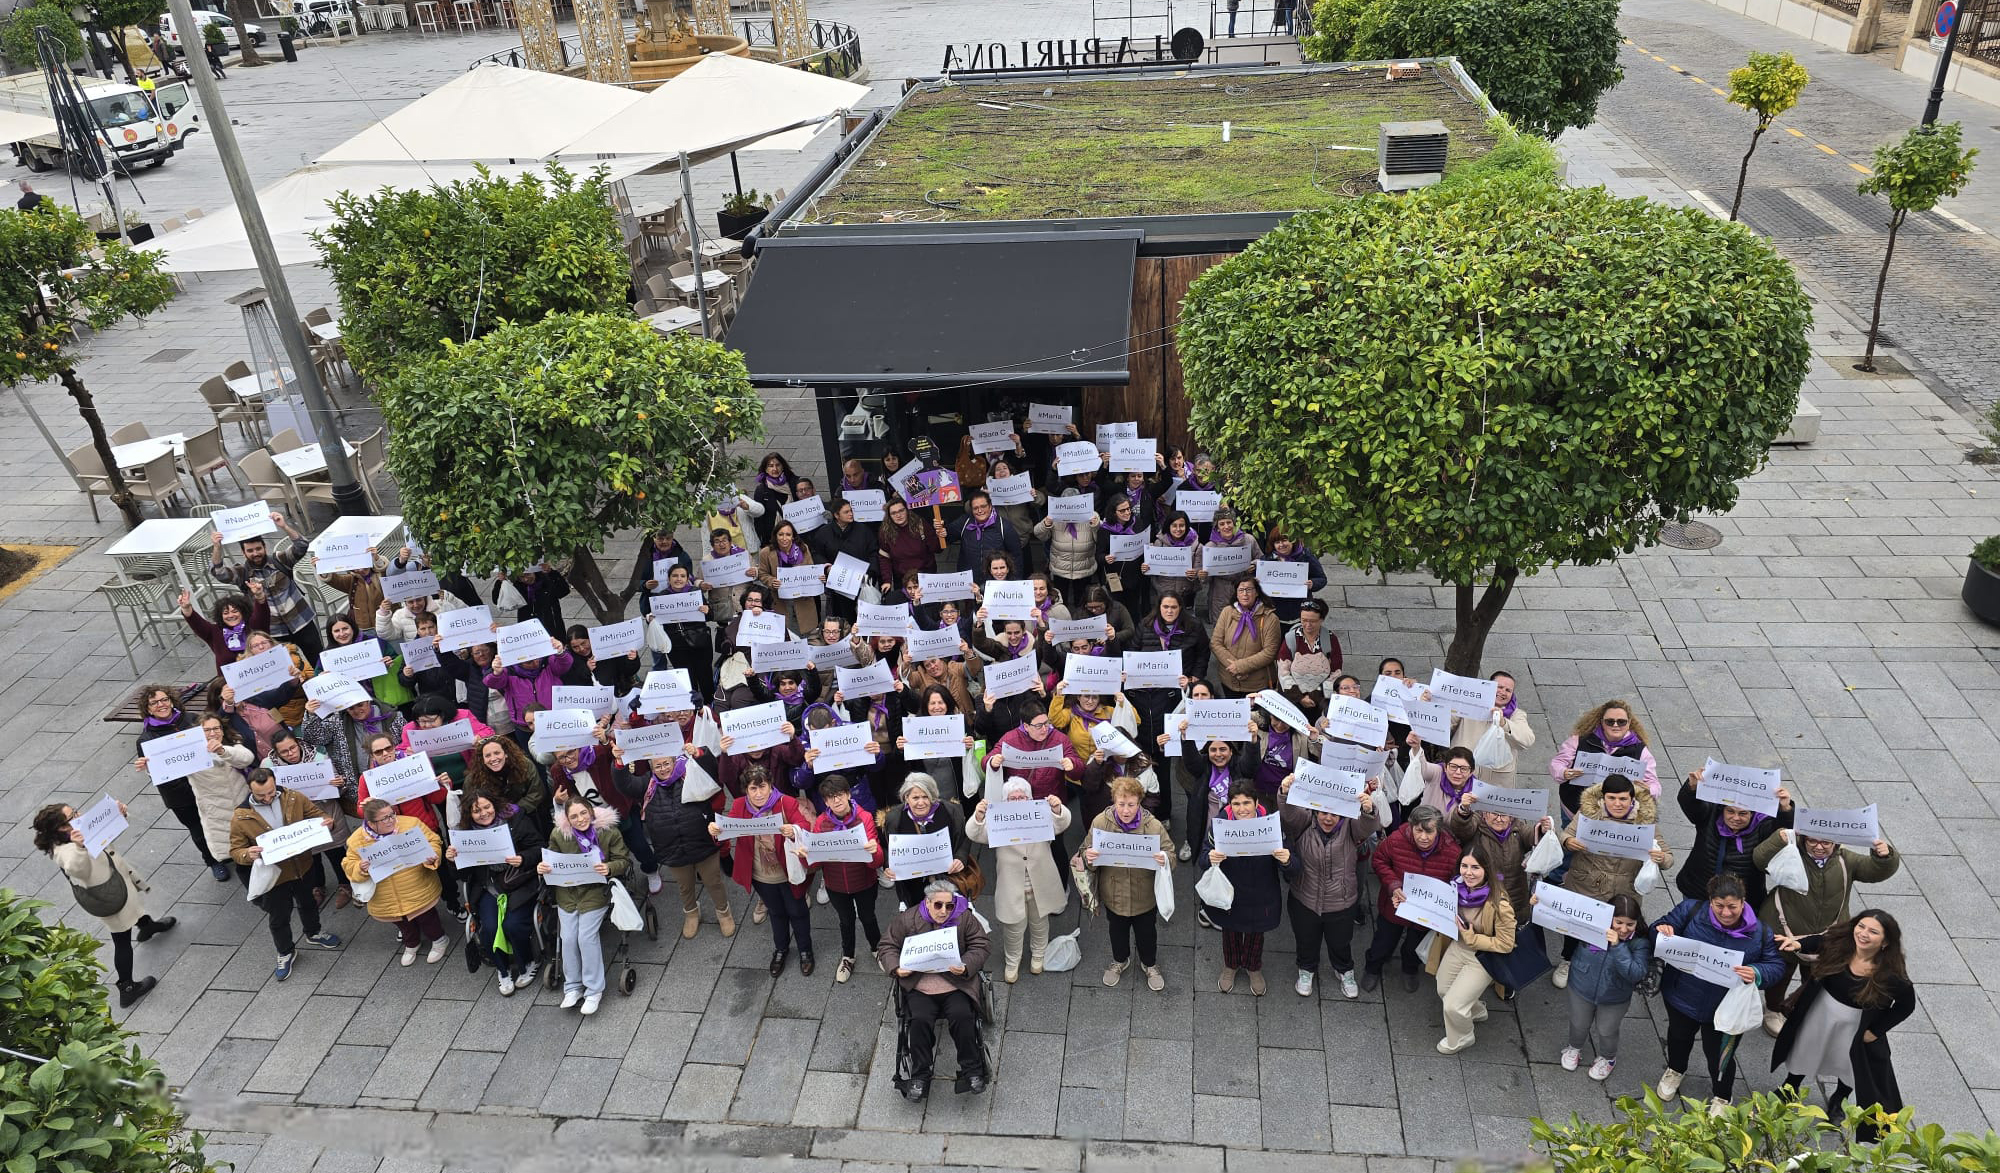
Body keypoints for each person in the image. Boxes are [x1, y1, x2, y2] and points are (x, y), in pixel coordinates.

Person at [1772, 911, 1915, 1139]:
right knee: (1805, 1049)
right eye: (1861, 926)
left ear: (1886, 941)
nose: (1864, 934)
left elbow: (1906, 1006)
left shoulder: (1891, 974)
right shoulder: (1841, 944)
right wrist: (1798, 943)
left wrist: (1876, 1031)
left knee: (1848, 1064)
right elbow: (1819, 941)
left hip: (1856, 1024)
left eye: (1873, 931)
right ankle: (1790, 1088)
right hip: (1822, 1011)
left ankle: (1839, 1099)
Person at [1652, 873, 1786, 1110]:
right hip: (1683, 996)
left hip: (1726, 1008)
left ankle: (1723, 1095)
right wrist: (1661, 930)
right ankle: (1675, 1069)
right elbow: (1656, 930)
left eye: (1732, 906)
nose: (1726, 913)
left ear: (1743, 902)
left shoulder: (1761, 932)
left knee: (1720, 1056)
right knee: (1679, 1037)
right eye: (1719, 906)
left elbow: (1776, 965)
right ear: (1710, 900)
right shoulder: (1690, 911)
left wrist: (1757, 972)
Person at [1753, 827, 1900, 1036]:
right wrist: (1779, 839)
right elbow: (1760, 860)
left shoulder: (1846, 860)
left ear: (1836, 843)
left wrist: (1884, 856)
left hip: (1828, 936)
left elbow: (1875, 871)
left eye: (1826, 843)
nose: (1819, 847)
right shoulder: (1791, 854)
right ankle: (1773, 1009)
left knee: (1818, 976)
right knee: (1780, 974)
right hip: (1783, 929)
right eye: (1813, 841)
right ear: (1804, 839)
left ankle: (1803, 1009)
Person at [33, 802, 176, 1007]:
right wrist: (80, 847)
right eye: (72, 815)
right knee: (121, 939)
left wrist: (118, 816)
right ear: (62, 828)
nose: (79, 814)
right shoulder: (64, 850)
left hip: (118, 884)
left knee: (132, 910)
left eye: (75, 810)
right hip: (110, 897)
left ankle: (147, 926)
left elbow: (105, 833)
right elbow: (76, 867)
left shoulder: (79, 830)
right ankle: (127, 988)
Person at [1551, 775, 1671, 988]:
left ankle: (1605, 966)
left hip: (1622, 890)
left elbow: (1668, 857)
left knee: (1616, 931)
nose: (1617, 803)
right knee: (1576, 927)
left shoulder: (1645, 821)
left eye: (1623, 799)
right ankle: (1568, 960)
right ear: (1603, 798)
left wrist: (1661, 858)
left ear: (1632, 799)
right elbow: (1565, 835)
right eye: (1612, 798)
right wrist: (1570, 842)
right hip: (1586, 883)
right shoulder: (1588, 813)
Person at [878, 879, 991, 1101]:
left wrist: (966, 965)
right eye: (938, 905)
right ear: (927, 903)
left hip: (955, 983)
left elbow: (981, 944)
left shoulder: (964, 918)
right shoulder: (907, 919)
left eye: (949, 906)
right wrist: (897, 968)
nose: (944, 911)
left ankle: (972, 1070)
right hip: (920, 985)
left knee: (963, 1016)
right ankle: (920, 1074)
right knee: (918, 1020)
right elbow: (887, 946)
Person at [228, 767, 342, 981]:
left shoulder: (293, 797)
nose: (267, 798)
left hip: (302, 867)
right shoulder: (241, 817)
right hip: (275, 877)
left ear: (275, 783)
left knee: (308, 901)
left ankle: (313, 932)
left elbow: (318, 816)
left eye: (271, 792)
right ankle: (286, 951)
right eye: (261, 795)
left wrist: (328, 821)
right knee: (278, 916)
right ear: (250, 790)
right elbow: (235, 851)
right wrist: (247, 854)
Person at [1279, 771, 1381, 998]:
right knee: (1306, 939)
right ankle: (1306, 969)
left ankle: (1344, 970)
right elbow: (1288, 814)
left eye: (1334, 814)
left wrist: (1368, 810)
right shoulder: (1303, 823)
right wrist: (1285, 792)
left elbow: (1369, 825)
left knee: (1341, 941)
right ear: (1315, 810)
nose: (1328, 818)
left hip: (1341, 902)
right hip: (1304, 898)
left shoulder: (1352, 828)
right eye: (1323, 812)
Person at [618, 749, 734, 940]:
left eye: (666, 763)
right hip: (672, 848)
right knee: (685, 886)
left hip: (702, 842)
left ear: (674, 762)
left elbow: (712, 769)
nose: (663, 769)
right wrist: (619, 764)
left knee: (714, 882)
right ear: (651, 768)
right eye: (658, 765)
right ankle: (691, 913)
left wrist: (699, 752)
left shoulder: (691, 773)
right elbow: (625, 784)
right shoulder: (648, 784)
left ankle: (724, 912)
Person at [714, 766, 816, 976]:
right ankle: (781, 949)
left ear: (771, 786)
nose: (759, 793)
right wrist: (715, 831)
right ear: (746, 790)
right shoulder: (740, 805)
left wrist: (794, 830)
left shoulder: (785, 802)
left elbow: (804, 824)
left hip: (787, 873)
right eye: (753, 788)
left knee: (797, 911)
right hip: (761, 876)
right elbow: (726, 828)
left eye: (763, 787)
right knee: (776, 913)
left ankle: (805, 950)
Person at [966, 778, 1070, 982]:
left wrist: (1058, 808)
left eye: (1022, 797)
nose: (1018, 800)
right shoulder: (997, 820)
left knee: (1040, 924)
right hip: (1012, 887)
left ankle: (1038, 957)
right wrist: (978, 815)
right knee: (1013, 928)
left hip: (1041, 883)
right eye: (1013, 798)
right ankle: (1012, 962)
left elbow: (1062, 823)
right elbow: (974, 833)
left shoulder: (1040, 814)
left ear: (1030, 798)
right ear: (1005, 801)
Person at [539, 795, 632, 1014]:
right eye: (574, 816)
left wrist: (609, 867)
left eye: (583, 813)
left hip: (596, 892)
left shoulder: (608, 832)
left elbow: (624, 860)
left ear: (591, 811)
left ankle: (594, 989)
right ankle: (572, 987)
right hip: (568, 893)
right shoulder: (559, 835)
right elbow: (552, 860)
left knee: (586, 937)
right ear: (567, 820)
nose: (580, 819)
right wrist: (544, 867)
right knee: (568, 937)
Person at [449, 788, 544, 995]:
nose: (483, 813)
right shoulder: (463, 834)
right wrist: (453, 860)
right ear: (469, 814)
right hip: (486, 886)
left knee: (513, 924)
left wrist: (523, 858)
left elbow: (538, 846)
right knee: (489, 928)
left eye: (486, 807)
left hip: (518, 881)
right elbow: (462, 876)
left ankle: (527, 962)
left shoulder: (515, 820)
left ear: (495, 805)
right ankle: (503, 970)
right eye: (476, 811)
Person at [131, 683, 230, 880]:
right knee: (198, 829)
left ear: (171, 700)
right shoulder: (146, 740)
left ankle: (228, 849)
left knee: (220, 817)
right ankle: (212, 861)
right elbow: (161, 774)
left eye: (164, 700)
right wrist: (150, 770)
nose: (161, 705)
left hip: (207, 783)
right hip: (180, 795)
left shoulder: (191, 719)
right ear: (147, 708)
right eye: (154, 703)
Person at [1206, 781, 1297, 995]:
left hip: (1261, 892)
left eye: (1246, 802)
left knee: (1256, 934)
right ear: (1229, 804)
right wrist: (1209, 857)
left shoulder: (1272, 825)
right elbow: (1203, 856)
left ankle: (1253, 967)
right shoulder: (1219, 825)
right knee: (1230, 932)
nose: (1241, 808)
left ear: (1256, 803)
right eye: (1236, 803)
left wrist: (1287, 860)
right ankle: (1231, 966)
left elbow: (1293, 865)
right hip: (1230, 892)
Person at [1084, 775, 1174, 991]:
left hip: (1144, 896)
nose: (1125, 810)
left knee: (1147, 933)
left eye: (1131, 805)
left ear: (1139, 802)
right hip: (1113, 894)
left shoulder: (1153, 827)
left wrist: (1165, 860)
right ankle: (1120, 960)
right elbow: (1084, 851)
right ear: (1113, 800)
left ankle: (1149, 964)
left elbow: (1171, 853)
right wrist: (1089, 857)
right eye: (1121, 804)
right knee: (1117, 932)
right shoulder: (1099, 823)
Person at [1428, 839, 1517, 1054]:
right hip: (1459, 947)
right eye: (1464, 866)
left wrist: (1473, 939)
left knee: (1452, 1006)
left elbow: (1506, 944)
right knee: (1443, 988)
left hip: (1483, 957)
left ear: (1487, 869)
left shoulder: (1500, 904)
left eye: (1475, 867)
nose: (1468, 873)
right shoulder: (1454, 889)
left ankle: (1462, 1036)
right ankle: (1475, 1009)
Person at [1552, 892, 1650, 1081]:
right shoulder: (1592, 928)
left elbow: (1636, 973)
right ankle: (1574, 1047)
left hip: (1614, 997)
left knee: (1607, 1030)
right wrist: (1539, 902)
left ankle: (1607, 1057)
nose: (1623, 929)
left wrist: (1618, 947)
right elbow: (1562, 918)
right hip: (1581, 986)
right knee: (1578, 1023)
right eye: (1618, 922)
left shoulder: (1640, 944)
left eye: (1630, 924)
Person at [1363, 803, 1461, 992]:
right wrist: (1393, 885)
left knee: (1414, 946)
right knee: (1383, 941)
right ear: (1411, 827)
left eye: (1429, 832)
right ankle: (1372, 968)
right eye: (1418, 831)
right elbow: (1379, 861)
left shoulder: (1453, 852)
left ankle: (1410, 968)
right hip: (1394, 907)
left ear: (1438, 830)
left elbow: (1455, 882)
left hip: (1426, 914)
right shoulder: (1395, 840)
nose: (1423, 837)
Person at [343, 797, 449, 967]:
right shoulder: (356, 840)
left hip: (416, 886)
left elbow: (433, 841)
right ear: (370, 822)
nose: (392, 820)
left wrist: (432, 856)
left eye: (392, 815)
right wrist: (360, 868)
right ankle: (412, 944)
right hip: (386, 895)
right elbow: (348, 865)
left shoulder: (411, 824)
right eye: (385, 818)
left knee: (427, 918)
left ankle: (439, 940)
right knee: (402, 923)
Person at [1675, 766, 1794, 915]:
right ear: (1722, 809)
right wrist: (1692, 787)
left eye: (1743, 813)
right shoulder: (1710, 815)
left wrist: (1785, 809)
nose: (1735, 818)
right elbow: (1691, 805)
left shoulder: (1763, 826)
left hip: (1740, 900)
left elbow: (1783, 832)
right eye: (1730, 811)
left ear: (1753, 813)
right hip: (1698, 890)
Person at [210, 513, 322, 663]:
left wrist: (284, 526)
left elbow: (301, 545)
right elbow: (219, 573)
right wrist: (217, 547)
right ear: (243, 553)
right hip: (273, 631)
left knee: (318, 660)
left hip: (301, 620)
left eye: (258, 548)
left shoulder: (279, 560)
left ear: (264, 547)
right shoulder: (242, 573)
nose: (255, 553)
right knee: (288, 669)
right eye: (250, 551)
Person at [807, 775, 884, 982]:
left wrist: (874, 851)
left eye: (840, 795)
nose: (837, 801)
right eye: (831, 797)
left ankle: (877, 949)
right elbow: (815, 865)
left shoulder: (865, 817)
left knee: (869, 918)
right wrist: (807, 856)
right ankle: (848, 956)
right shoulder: (821, 824)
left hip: (864, 882)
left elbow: (877, 862)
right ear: (825, 802)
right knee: (846, 921)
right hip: (836, 886)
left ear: (849, 794)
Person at [878, 772, 975, 910]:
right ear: (906, 797)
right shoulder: (894, 818)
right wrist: (888, 866)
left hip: (948, 878)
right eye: (915, 797)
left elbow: (965, 837)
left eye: (925, 797)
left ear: (933, 796)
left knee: (950, 914)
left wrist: (960, 858)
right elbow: (888, 847)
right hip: (913, 884)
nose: (921, 802)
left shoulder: (951, 811)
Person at [1549, 701, 1658, 813]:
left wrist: (1649, 790)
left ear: (1629, 723)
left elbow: (1653, 783)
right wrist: (1564, 772)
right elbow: (1558, 763)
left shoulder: (1641, 751)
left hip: (1616, 815)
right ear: (1602, 722)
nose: (1615, 725)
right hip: (1574, 809)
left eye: (1621, 722)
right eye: (1610, 721)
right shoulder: (1579, 741)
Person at [1449, 671, 1535, 789]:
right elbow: (1446, 722)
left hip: (1493, 784)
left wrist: (1504, 723)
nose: (1503, 692)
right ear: (1489, 687)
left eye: (1508, 690)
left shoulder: (1517, 714)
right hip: (1460, 774)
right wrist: (1427, 702)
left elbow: (1527, 740)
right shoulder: (1469, 703)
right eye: (1499, 687)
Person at [1209, 578, 1280, 697]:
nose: (1245, 594)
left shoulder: (1270, 618)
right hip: (1229, 680)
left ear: (1257, 592)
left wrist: (1242, 667)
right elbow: (1215, 643)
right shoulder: (1227, 612)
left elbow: (1270, 652)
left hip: (1257, 684)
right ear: (1236, 593)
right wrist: (1235, 668)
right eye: (1241, 590)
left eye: (1249, 590)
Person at [178, 588, 269, 673]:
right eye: (226, 613)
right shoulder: (214, 632)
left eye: (235, 611)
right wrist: (186, 608)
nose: (230, 615)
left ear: (243, 612)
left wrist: (259, 596)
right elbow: (196, 622)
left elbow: (262, 614)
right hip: (231, 684)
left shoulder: (253, 625)